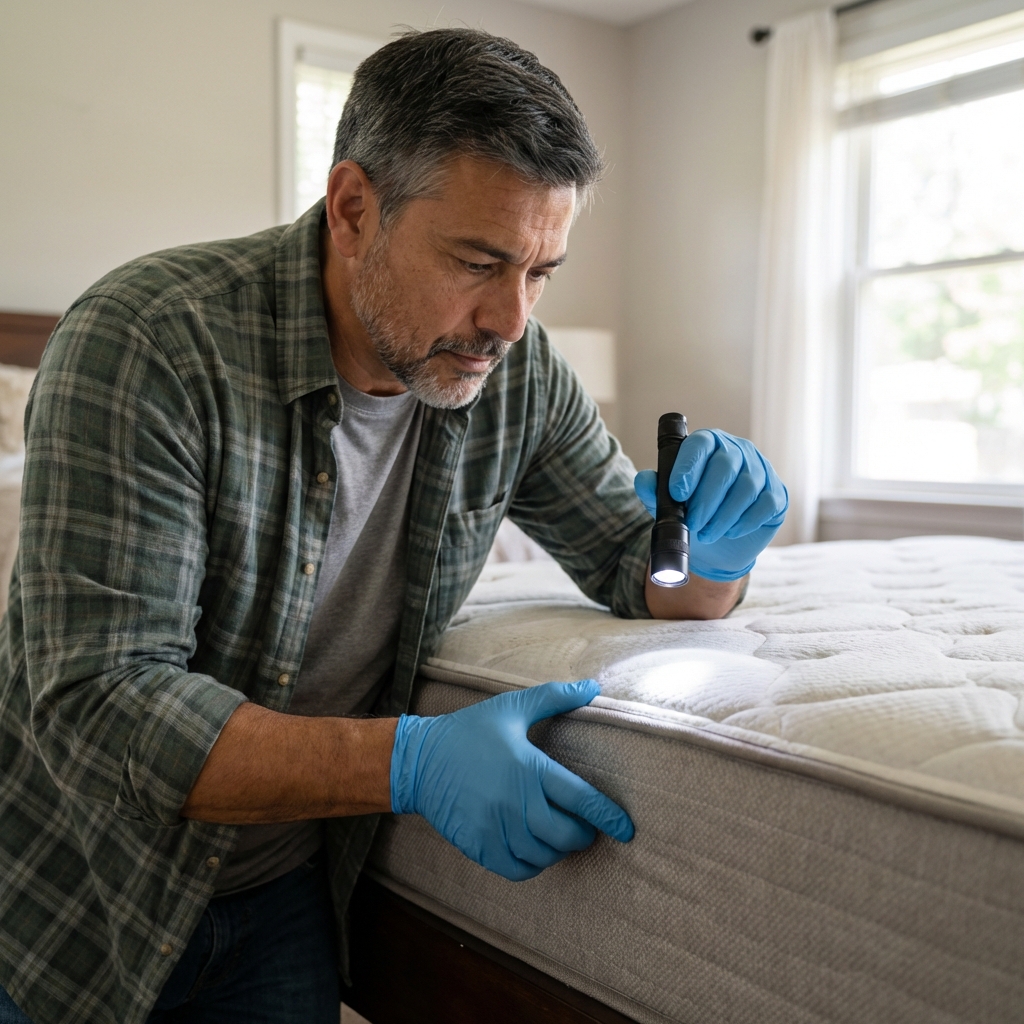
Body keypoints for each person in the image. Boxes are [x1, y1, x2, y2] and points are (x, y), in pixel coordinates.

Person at [0, 27, 787, 1024]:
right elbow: (102, 702)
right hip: (71, 895)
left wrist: (717, 550)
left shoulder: (518, 376)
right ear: (353, 209)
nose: (510, 319)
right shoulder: (149, 341)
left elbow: (645, 571)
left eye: (540, 271)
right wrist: (407, 762)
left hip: (284, 890)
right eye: (478, 261)